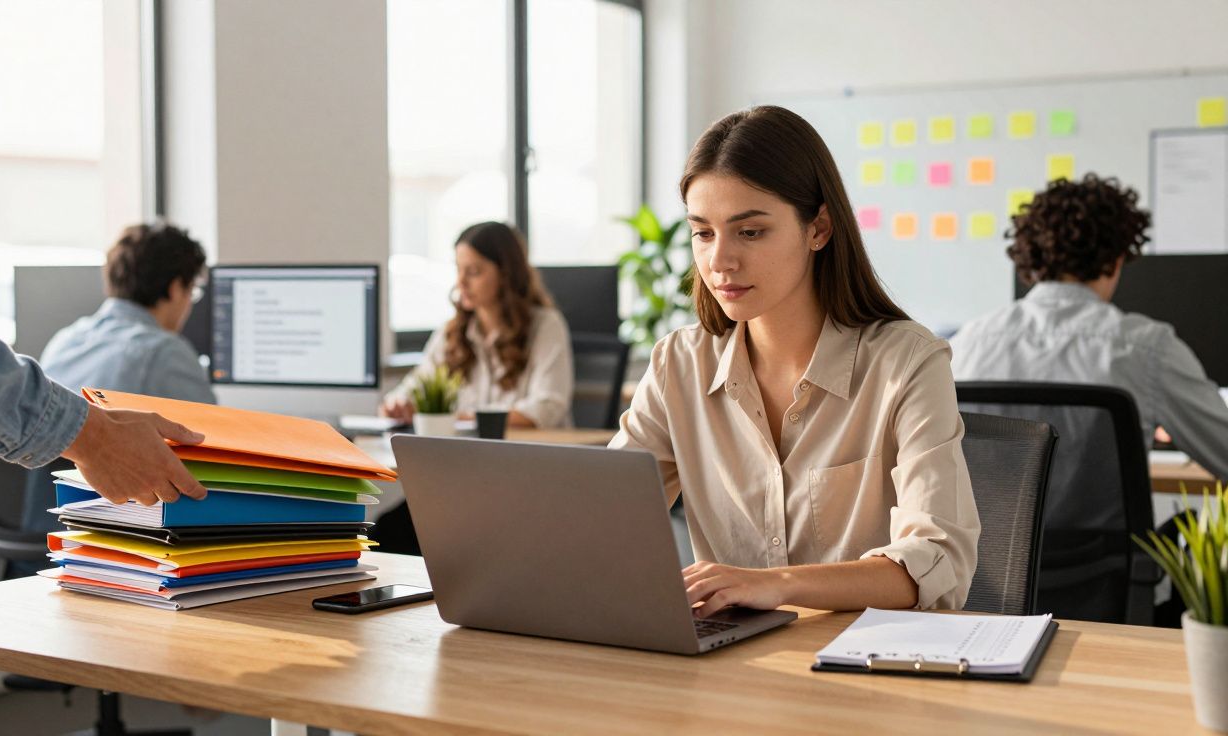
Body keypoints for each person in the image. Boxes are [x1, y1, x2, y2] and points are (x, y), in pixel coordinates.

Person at [609, 105, 980, 616]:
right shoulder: (679, 364)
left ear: (819, 229)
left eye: (750, 231)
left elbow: (939, 560)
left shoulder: (908, 362)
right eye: (703, 232)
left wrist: (777, 584)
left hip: (867, 668)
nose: (720, 261)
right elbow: (601, 517)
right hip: (733, 670)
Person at [949, 174, 1228, 519]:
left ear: (1031, 258)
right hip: (1102, 568)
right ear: (1115, 259)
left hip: (993, 568)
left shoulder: (965, 347)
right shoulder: (1147, 350)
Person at [0, 260, 206, 506]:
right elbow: (205, 442)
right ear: (176, 287)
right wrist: (93, 437)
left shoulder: (69, 336)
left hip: (42, 522)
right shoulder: (165, 350)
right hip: (112, 525)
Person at [381, 221, 573, 429]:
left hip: (531, 455)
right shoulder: (451, 333)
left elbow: (546, 408)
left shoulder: (546, 326)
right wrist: (397, 405)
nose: (460, 282)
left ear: (505, 274)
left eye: (473, 271)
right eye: (458, 269)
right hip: (468, 456)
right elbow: (414, 388)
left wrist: (461, 419)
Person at [41, 222, 215, 404]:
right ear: (176, 288)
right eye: (192, 292)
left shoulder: (65, 341)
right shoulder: (164, 353)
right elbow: (214, 429)